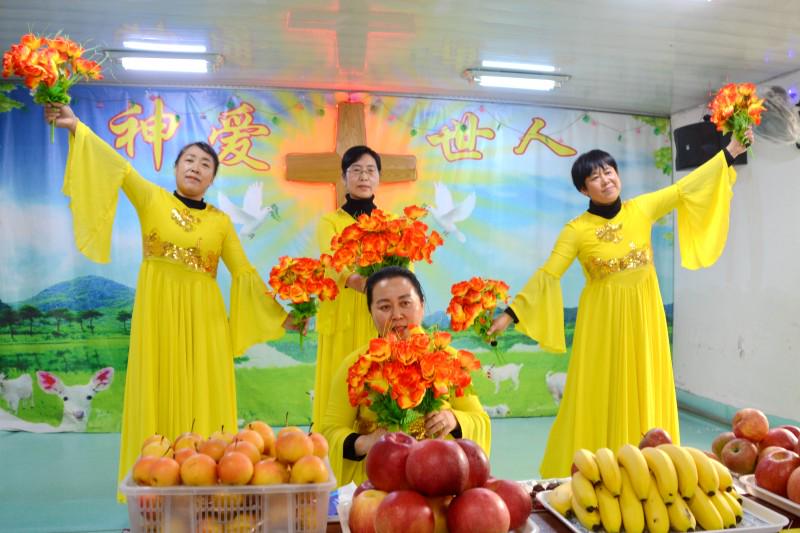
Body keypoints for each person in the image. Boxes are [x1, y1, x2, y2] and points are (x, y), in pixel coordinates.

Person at [43, 103, 301, 500]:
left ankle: (212, 478)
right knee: (158, 384)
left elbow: (244, 273)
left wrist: (282, 318)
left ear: (212, 178)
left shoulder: (220, 222)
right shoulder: (153, 200)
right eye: (189, 160)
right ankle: (155, 482)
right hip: (159, 313)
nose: (196, 167)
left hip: (205, 318)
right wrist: (77, 127)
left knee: (204, 389)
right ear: (177, 168)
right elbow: (119, 168)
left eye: (205, 164)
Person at [488, 130, 754, 478]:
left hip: (645, 316)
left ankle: (650, 464)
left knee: (646, 380)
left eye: (608, 171)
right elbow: (548, 273)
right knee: (602, 390)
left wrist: (731, 150)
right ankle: (600, 466)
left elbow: (686, 188)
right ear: (583, 190)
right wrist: (511, 314)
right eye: (594, 177)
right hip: (602, 321)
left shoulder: (642, 208)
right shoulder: (576, 230)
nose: (604, 179)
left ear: (618, 174)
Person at [321, 266, 491, 487]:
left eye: (405, 303)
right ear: (371, 312)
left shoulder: (448, 359)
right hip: (379, 485)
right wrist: (365, 442)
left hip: (441, 480)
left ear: (421, 305)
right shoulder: (357, 365)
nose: (396, 315)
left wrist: (453, 420)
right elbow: (330, 432)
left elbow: (480, 420)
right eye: (384, 306)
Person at [312, 145, 384, 428]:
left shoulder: (390, 224)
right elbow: (330, 261)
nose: (363, 177)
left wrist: (384, 293)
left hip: (376, 315)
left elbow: (403, 268)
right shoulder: (329, 222)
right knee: (339, 382)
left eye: (370, 171)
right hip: (340, 314)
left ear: (378, 178)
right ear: (344, 178)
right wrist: (358, 281)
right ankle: (336, 450)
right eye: (356, 170)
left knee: (377, 383)